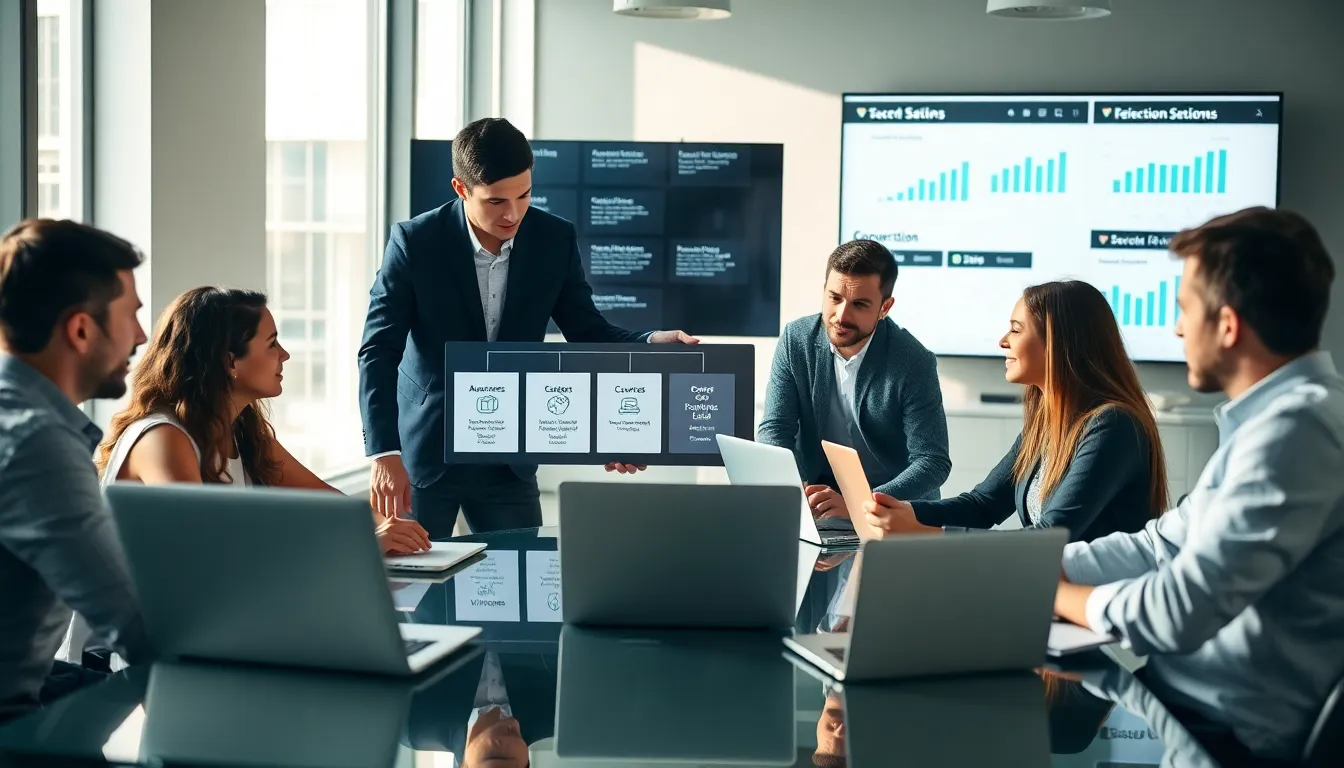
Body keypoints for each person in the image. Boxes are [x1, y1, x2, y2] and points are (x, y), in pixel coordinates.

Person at [1054, 207, 1344, 763]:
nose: (1177, 328)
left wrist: (1056, 595)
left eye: (1185, 309)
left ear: (1229, 325)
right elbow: (1161, 543)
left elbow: (1176, 611)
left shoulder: (1298, 430)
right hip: (1177, 708)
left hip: (1221, 737)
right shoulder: (1271, 422)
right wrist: (1043, 568)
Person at [359, 117, 696, 538]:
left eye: (524, 194)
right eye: (496, 201)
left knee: (521, 586)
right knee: (413, 589)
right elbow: (379, 349)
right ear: (461, 188)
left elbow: (587, 331)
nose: (514, 212)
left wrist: (648, 343)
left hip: (508, 456)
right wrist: (383, 452)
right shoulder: (414, 242)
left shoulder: (553, 239)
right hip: (425, 449)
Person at [96, 287, 431, 556]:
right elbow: (206, 550)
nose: (284, 355)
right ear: (229, 361)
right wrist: (362, 542)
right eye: (272, 343)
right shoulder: (163, 439)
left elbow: (327, 503)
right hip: (123, 636)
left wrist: (387, 530)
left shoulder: (241, 430)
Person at [864, 280, 1167, 542]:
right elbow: (983, 505)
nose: (1003, 341)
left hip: (1092, 602)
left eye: (1016, 330)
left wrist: (923, 533)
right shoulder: (1047, 425)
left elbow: (1048, 538)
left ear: (1059, 343)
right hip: (1050, 591)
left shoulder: (1113, 426)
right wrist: (902, 510)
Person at [0, 219, 151, 722]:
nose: (141, 336)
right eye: (131, 316)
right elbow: (134, 624)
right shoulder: (37, 444)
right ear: (82, 329)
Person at [758, 239, 950, 520]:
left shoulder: (914, 361)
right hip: (819, 502)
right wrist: (792, 488)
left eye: (859, 304)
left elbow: (933, 462)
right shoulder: (795, 340)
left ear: (885, 307)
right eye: (834, 298)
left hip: (891, 508)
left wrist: (862, 503)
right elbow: (775, 428)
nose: (841, 316)